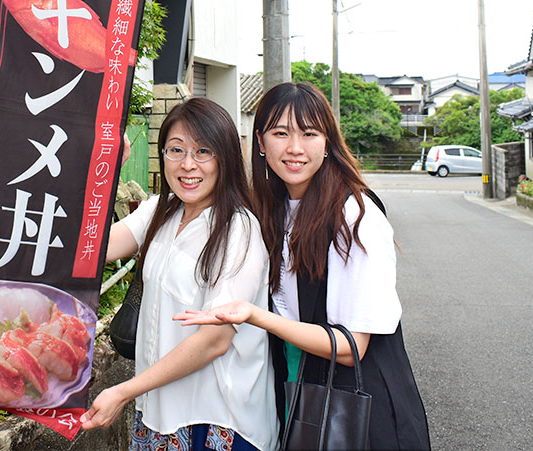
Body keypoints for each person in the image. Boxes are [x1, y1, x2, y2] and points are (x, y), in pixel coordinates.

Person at [176, 82, 430, 450]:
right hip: (303, 404)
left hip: (363, 418)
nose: (295, 148)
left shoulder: (355, 215)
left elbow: (351, 346)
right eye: (281, 133)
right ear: (260, 142)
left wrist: (253, 315)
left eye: (309, 133)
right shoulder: (268, 210)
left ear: (327, 142)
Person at [81, 97, 280, 451]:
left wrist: (124, 391)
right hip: (157, 412)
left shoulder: (240, 229)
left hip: (219, 422)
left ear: (226, 157)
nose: (188, 165)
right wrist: (104, 172)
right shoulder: (160, 210)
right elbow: (90, 248)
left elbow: (214, 340)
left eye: (203, 151)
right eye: (176, 150)